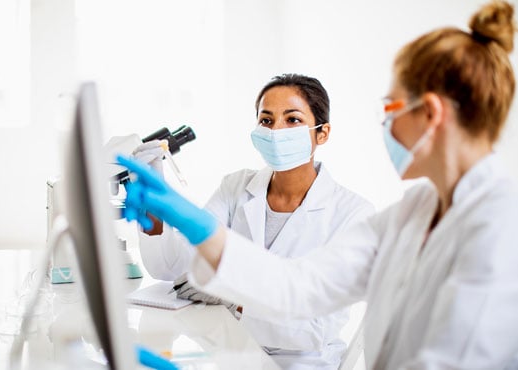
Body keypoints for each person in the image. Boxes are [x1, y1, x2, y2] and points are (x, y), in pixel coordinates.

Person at [118, 1, 518, 367]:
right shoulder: (415, 211)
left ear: (430, 113)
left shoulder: (499, 230)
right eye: (267, 119)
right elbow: (298, 287)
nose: (385, 124)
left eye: (390, 108)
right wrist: (196, 225)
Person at [131, 74, 374, 369]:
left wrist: (235, 296)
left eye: (293, 120)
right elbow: (173, 268)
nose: (276, 131)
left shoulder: (353, 213)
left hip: (301, 363)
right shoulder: (236, 187)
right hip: (233, 352)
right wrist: (154, 209)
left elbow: (313, 331)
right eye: (267, 120)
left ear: (322, 133)